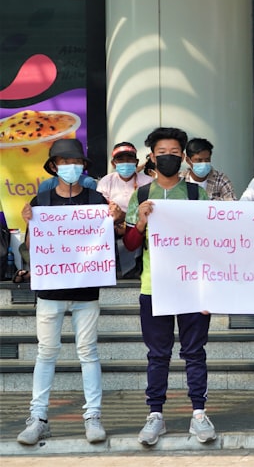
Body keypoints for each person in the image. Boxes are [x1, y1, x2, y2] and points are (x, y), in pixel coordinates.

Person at [15, 138, 122, 446]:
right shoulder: (40, 202)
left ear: (83, 167)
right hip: (50, 292)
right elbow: (31, 248)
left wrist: (115, 219)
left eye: (75, 163)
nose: (70, 167)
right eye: (63, 162)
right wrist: (29, 224)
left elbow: (114, 235)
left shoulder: (96, 198)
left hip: (86, 291)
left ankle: (93, 416)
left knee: (88, 353)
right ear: (53, 166)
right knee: (46, 354)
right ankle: (38, 418)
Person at [122, 127, 216, 446]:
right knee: (158, 354)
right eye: (162, 152)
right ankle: (155, 415)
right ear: (152, 156)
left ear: (184, 158)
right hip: (154, 287)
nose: (168, 158)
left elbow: (209, 244)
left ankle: (199, 414)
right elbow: (132, 244)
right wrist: (141, 222)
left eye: (175, 153)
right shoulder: (142, 195)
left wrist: (208, 290)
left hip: (191, 288)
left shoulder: (196, 194)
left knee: (194, 353)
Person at [96, 141, 153, 279]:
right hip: (113, 228)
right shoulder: (106, 181)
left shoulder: (148, 182)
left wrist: (126, 220)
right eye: (120, 160)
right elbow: (101, 210)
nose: (125, 163)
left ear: (136, 161)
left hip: (140, 227)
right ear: (113, 163)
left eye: (129, 159)